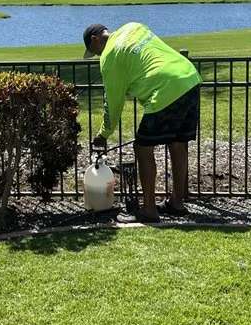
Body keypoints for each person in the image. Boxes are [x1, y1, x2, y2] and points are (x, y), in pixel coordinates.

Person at [82, 22, 201, 223]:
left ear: (95, 40)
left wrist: (103, 134)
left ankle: (149, 210)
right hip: (189, 78)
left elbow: (113, 104)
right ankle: (177, 203)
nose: (97, 55)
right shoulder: (133, 27)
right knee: (178, 143)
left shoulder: (109, 57)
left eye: (94, 51)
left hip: (165, 89)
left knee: (142, 147)